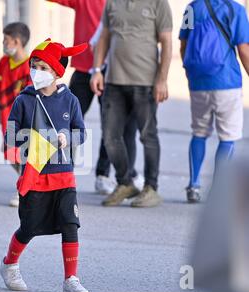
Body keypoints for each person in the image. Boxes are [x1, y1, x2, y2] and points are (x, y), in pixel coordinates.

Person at [0, 39, 90, 292]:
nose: (36, 71)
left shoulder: (70, 100)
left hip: (64, 175)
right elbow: (10, 135)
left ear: (56, 72)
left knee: (70, 223)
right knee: (29, 227)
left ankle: (71, 279)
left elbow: (80, 134)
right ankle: (9, 264)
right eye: (33, 66)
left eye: (42, 67)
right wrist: (29, 137)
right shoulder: (24, 100)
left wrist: (65, 138)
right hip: (35, 174)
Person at [47, 0, 141, 195]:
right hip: (83, 71)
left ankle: (103, 175)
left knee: (112, 126)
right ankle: (63, 173)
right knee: (65, 121)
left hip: (112, 72)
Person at [91, 0, 173, 208]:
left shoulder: (158, 3)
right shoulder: (112, 3)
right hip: (113, 82)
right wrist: (97, 70)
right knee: (110, 136)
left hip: (144, 82)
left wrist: (162, 80)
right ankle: (125, 182)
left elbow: (166, 42)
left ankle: (151, 188)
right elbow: (104, 38)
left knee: (148, 135)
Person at [179, 0, 249, 203]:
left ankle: (193, 185)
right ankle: (217, 190)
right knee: (228, 137)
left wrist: (191, 73)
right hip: (227, 82)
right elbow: (244, 50)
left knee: (199, 133)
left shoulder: (191, 8)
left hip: (198, 83)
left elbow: (183, 45)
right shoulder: (235, 10)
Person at [0, 22, 32, 207]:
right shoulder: (3, 63)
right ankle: (30, 182)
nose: (4, 43)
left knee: (23, 155)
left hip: (24, 121)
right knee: (9, 154)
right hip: (6, 120)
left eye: (6, 40)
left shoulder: (31, 67)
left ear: (16, 41)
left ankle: (24, 190)